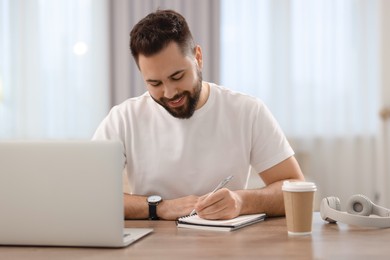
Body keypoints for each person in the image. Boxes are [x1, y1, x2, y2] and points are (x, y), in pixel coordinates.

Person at [93, 9, 305, 221]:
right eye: (154, 83)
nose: (170, 93)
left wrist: (242, 202)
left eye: (177, 76)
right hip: (152, 247)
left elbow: (297, 188)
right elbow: (90, 194)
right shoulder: (123, 118)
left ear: (198, 57)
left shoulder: (247, 110)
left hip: (225, 246)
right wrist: (159, 207)